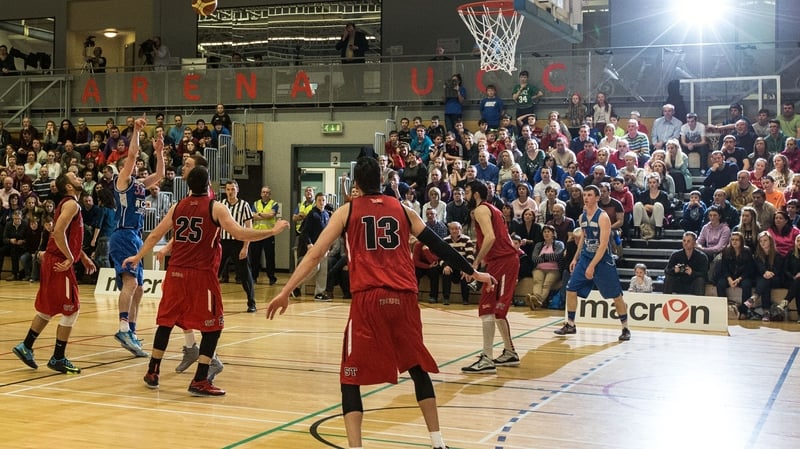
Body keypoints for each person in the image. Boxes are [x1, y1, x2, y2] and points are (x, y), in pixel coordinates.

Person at [266, 157, 493, 449]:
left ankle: (356, 446)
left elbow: (315, 255)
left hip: (369, 299)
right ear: (383, 180)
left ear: (356, 184)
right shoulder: (403, 209)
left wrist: (286, 289)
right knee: (416, 368)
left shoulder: (347, 212)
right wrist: (474, 271)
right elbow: (440, 245)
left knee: (350, 376)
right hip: (404, 298)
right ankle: (438, 442)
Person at [123, 165, 289, 396]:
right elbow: (240, 233)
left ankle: (153, 371)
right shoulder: (216, 207)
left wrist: (138, 256)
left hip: (176, 272)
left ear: (188, 185)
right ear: (209, 184)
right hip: (200, 275)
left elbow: (154, 235)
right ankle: (200, 379)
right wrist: (272, 231)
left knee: (166, 322)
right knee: (214, 327)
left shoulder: (177, 206)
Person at [12, 172, 97, 374]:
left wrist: (81, 255)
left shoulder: (68, 204)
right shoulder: (72, 204)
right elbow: (58, 233)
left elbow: (65, 235)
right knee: (72, 308)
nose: (78, 178)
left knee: (48, 308)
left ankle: (26, 346)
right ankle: (58, 357)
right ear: (68, 187)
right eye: (74, 177)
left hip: (54, 260)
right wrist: (69, 257)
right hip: (59, 263)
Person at [110, 117, 165, 357]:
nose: (136, 164)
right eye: (132, 164)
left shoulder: (141, 184)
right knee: (131, 284)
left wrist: (160, 152)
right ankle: (123, 328)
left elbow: (160, 173)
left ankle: (131, 331)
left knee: (140, 289)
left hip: (135, 237)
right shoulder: (122, 181)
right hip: (122, 235)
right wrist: (136, 130)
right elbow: (132, 156)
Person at [553, 185, 630, 341]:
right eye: (585, 195)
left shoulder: (603, 217)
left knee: (616, 296)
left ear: (597, 197)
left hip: (603, 261)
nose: (586, 198)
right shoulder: (582, 216)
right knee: (570, 289)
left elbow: (603, 246)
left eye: (589, 195)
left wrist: (592, 266)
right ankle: (571, 324)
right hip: (586, 257)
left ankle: (625, 328)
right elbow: (583, 237)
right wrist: (575, 258)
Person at [461, 180, 522, 374]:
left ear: (476, 194)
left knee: (487, 307)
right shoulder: (492, 209)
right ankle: (510, 352)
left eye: (468, 192)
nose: (465, 196)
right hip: (501, 261)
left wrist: (476, 263)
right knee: (496, 310)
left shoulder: (480, 210)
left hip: (502, 261)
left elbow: (491, 237)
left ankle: (487, 358)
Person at [218, 180, 257, 312]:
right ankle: (210, 302)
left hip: (239, 242)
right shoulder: (221, 205)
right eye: (228, 189)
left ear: (237, 190)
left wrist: (245, 247)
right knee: (213, 273)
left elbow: (249, 227)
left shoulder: (244, 205)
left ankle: (251, 303)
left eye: (233, 189)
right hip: (223, 242)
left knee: (245, 274)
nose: (230, 192)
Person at [298, 192, 330, 300]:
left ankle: (319, 293)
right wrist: (309, 244)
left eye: (323, 200)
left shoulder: (326, 214)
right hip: (313, 246)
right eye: (319, 200)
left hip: (323, 247)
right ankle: (296, 286)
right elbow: (304, 231)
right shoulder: (312, 214)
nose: (322, 202)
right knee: (315, 268)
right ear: (316, 202)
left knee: (323, 270)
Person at [663, 231, 709, 296]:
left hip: (693, 283)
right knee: (668, 278)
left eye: (688, 241)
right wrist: (674, 270)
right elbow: (667, 270)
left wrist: (692, 273)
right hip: (679, 282)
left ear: (694, 243)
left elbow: (704, 274)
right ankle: (665, 299)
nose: (685, 243)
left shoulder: (702, 257)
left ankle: (699, 302)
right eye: (684, 240)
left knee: (700, 280)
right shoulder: (675, 255)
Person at [251, 185, 280, 285]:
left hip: (268, 234)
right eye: (263, 192)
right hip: (257, 234)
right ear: (260, 193)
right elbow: (252, 216)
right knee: (255, 257)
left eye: (267, 192)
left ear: (270, 194)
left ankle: (271, 277)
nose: (265, 194)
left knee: (270, 257)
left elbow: (271, 215)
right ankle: (254, 277)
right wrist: (264, 215)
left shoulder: (274, 204)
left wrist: (259, 214)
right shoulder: (255, 203)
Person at [335, 23, 368, 96]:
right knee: (348, 81)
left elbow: (366, 47)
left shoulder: (360, 36)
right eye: (348, 29)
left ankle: (360, 97)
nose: (349, 31)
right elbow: (337, 47)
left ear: (354, 29)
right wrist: (343, 38)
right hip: (347, 64)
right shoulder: (344, 37)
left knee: (359, 81)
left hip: (357, 63)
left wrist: (357, 48)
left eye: (351, 29)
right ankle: (350, 96)